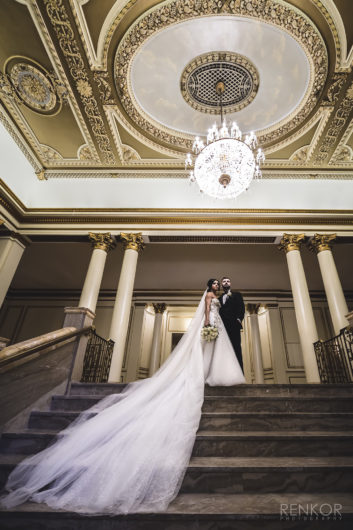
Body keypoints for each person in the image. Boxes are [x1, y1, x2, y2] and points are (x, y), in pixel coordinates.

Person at [1, 279, 245, 515]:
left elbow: (226, 310)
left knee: (213, 350)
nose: (216, 286)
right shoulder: (210, 298)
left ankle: (211, 373)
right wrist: (206, 323)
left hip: (219, 326)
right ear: (209, 287)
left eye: (218, 283)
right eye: (214, 283)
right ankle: (199, 373)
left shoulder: (224, 298)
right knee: (201, 351)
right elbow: (205, 311)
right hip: (209, 323)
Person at [218, 276, 245, 371]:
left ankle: (240, 374)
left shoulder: (237, 295)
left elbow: (241, 308)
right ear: (221, 284)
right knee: (223, 350)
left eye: (228, 281)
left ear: (230, 284)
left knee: (236, 348)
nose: (226, 282)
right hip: (223, 329)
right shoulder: (219, 298)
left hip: (234, 327)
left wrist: (239, 319)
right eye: (224, 281)